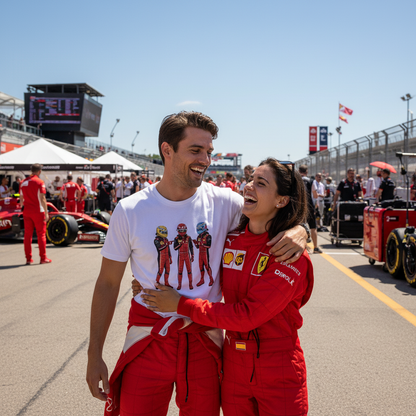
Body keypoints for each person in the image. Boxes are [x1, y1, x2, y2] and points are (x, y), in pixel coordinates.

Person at [86, 111, 308, 416]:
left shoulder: (227, 203)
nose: (205, 159)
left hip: (203, 338)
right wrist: (93, 354)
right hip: (149, 337)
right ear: (167, 150)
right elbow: (108, 283)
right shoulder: (130, 210)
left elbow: (276, 213)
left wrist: (301, 230)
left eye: (208, 151)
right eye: (195, 150)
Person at [141, 158, 313, 416]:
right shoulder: (230, 240)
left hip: (279, 369)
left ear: (282, 200)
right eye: (251, 180)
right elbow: (199, 273)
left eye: (261, 183)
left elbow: (247, 316)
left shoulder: (289, 253)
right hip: (233, 368)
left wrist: (180, 304)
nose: (249, 187)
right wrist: (146, 280)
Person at [19, 164, 52, 265]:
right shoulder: (39, 182)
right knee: (41, 234)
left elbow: (21, 199)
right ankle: (43, 258)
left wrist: (22, 208)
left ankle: (28, 259)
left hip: (27, 211)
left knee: (27, 235)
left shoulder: (22, 182)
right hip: (38, 211)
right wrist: (46, 213)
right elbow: (42, 198)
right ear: (39, 172)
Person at [299, 165, 322, 253]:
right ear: (307, 171)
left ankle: (302, 247)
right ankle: (315, 247)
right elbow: (315, 195)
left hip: (299, 207)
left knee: (300, 226)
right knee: (313, 227)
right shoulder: (311, 181)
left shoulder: (296, 180)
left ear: (299, 171)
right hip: (309, 206)